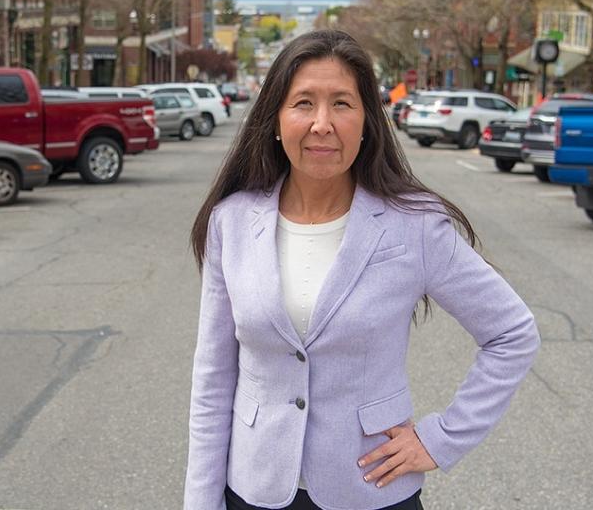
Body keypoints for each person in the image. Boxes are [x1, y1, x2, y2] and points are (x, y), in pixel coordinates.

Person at [184, 30, 540, 510]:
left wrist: (441, 439)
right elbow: (213, 378)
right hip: (254, 487)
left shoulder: (414, 225)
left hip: (371, 490)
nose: (322, 123)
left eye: (342, 104)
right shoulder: (232, 221)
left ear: (368, 121)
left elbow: (512, 333)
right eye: (304, 103)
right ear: (275, 119)